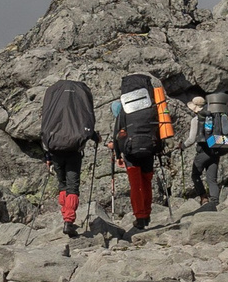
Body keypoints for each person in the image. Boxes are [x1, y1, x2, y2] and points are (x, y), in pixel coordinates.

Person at [109, 72, 172, 231]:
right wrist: (158, 149)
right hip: (149, 150)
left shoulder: (124, 109)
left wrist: (118, 154)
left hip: (130, 152)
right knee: (147, 182)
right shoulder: (151, 106)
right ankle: (147, 213)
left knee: (135, 185)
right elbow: (158, 129)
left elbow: (118, 133)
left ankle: (140, 217)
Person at [38, 78, 98, 236]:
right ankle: (69, 220)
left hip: (56, 150)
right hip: (73, 152)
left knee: (62, 184)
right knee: (72, 186)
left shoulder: (54, 103)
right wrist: (95, 137)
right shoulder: (79, 104)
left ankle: (65, 214)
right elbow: (87, 123)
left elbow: (45, 128)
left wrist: (47, 156)